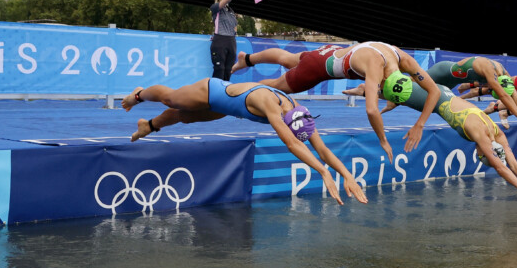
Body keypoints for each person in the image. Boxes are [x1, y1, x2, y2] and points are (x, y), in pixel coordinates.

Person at [121, 79, 368, 205]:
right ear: (287, 120)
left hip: (224, 107)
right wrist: (322, 172)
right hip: (210, 90)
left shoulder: (299, 112)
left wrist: (347, 174)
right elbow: (293, 146)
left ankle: (148, 125)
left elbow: (320, 148)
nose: (290, 134)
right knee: (173, 100)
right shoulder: (270, 105)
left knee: (184, 118)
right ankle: (139, 95)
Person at [231, 42, 443, 160]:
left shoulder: (402, 58)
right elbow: (371, 111)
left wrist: (420, 124)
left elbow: (433, 91)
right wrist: (383, 140)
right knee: (276, 87)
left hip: (330, 51)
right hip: (317, 69)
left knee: (287, 58)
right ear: (384, 81)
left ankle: (247, 59)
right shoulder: (375, 70)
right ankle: (239, 93)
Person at [367, 73, 517, 207]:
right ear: (483, 152)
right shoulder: (480, 135)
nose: (476, 153)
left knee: (392, 89)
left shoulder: (497, 133)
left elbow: (510, 161)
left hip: (445, 92)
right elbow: (500, 167)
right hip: (435, 99)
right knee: (384, 89)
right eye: (480, 156)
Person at [210, 0, 244, 81]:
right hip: (220, 40)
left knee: (229, 69)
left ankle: (224, 92)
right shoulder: (215, 7)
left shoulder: (231, 11)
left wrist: (234, 32)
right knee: (219, 69)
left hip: (231, 41)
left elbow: (234, 26)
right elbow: (227, 1)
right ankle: (215, 92)